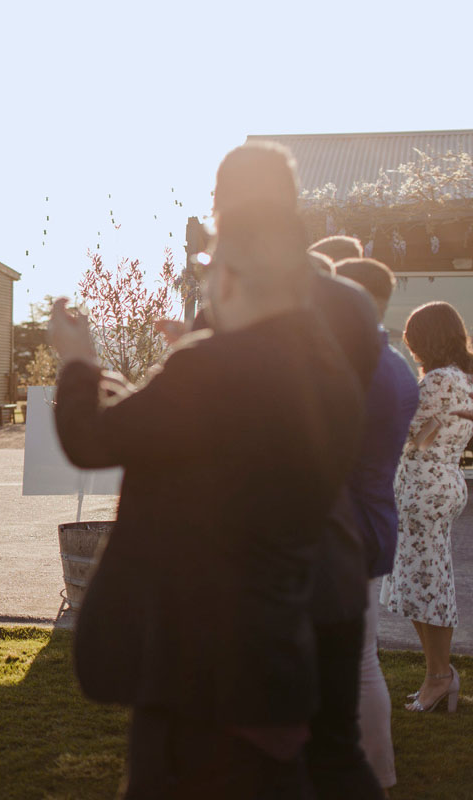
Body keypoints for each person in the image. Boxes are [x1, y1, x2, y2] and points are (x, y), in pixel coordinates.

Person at [52, 203, 365, 797]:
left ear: (229, 278)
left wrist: (78, 361)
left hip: (197, 657)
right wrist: (156, 386)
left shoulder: (210, 368)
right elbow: (201, 441)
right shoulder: (325, 369)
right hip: (274, 646)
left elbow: (90, 441)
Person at [214, 142, 383, 800]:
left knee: (248, 759)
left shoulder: (233, 302)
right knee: (337, 753)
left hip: (254, 573)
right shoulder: (353, 304)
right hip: (333, 556)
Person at [332, 257, 420, 789]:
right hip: (372, 519)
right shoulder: (394, 365)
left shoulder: (361, 370)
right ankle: (376, 774)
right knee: (361, 657)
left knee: (358, 661)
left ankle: (370, 774)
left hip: (350, 527)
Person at [380, 300, 473, 714]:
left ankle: (440, 677)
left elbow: (405, 435)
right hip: (438, 483)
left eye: (413, 339)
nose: (410, 346)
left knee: (428, 584)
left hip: (425, 488)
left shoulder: (438, 380)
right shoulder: (462, 377)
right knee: (422, 582)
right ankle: (437, 675)